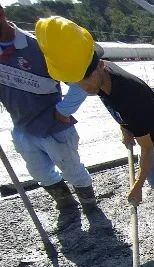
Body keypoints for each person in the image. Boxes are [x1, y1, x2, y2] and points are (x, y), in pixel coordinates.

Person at [35, 16, 154, 251]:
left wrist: (136, 187)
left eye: (84, 81)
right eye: (75, 83)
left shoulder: (129, 96)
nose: (83, 88)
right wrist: (124, 128)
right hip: (147, 137)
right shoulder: (100, 82)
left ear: (99, 66)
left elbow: (147, 149)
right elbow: (116, 110)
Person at [0, 4, 96, 222]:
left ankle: (90, 205)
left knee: (73, 170)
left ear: (1, 14)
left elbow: (80, 81)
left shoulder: (39, 47)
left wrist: (64, 111)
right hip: (22, 127)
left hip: (54, 126)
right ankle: (65, 203)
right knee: (40, 173)